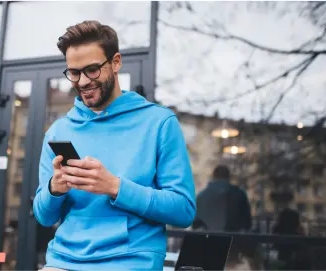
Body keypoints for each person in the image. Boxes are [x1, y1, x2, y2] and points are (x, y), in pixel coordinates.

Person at [32, 20, 196, 270]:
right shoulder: (59, 131)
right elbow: (44, 216)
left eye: (92, 70)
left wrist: (115, 188)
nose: (83, 81)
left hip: (130, 263)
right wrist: (55, 189)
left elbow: (183, 211)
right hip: (63, 262)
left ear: (116, 62)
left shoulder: (159, 123)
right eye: (74, 73)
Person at [195, 165, 252, 269]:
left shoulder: (202, 196)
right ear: (228, 177)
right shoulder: (239, 194)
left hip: (208, 244)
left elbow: (195, 223)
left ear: (214, 176)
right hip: (232, 244)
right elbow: (247, 223)